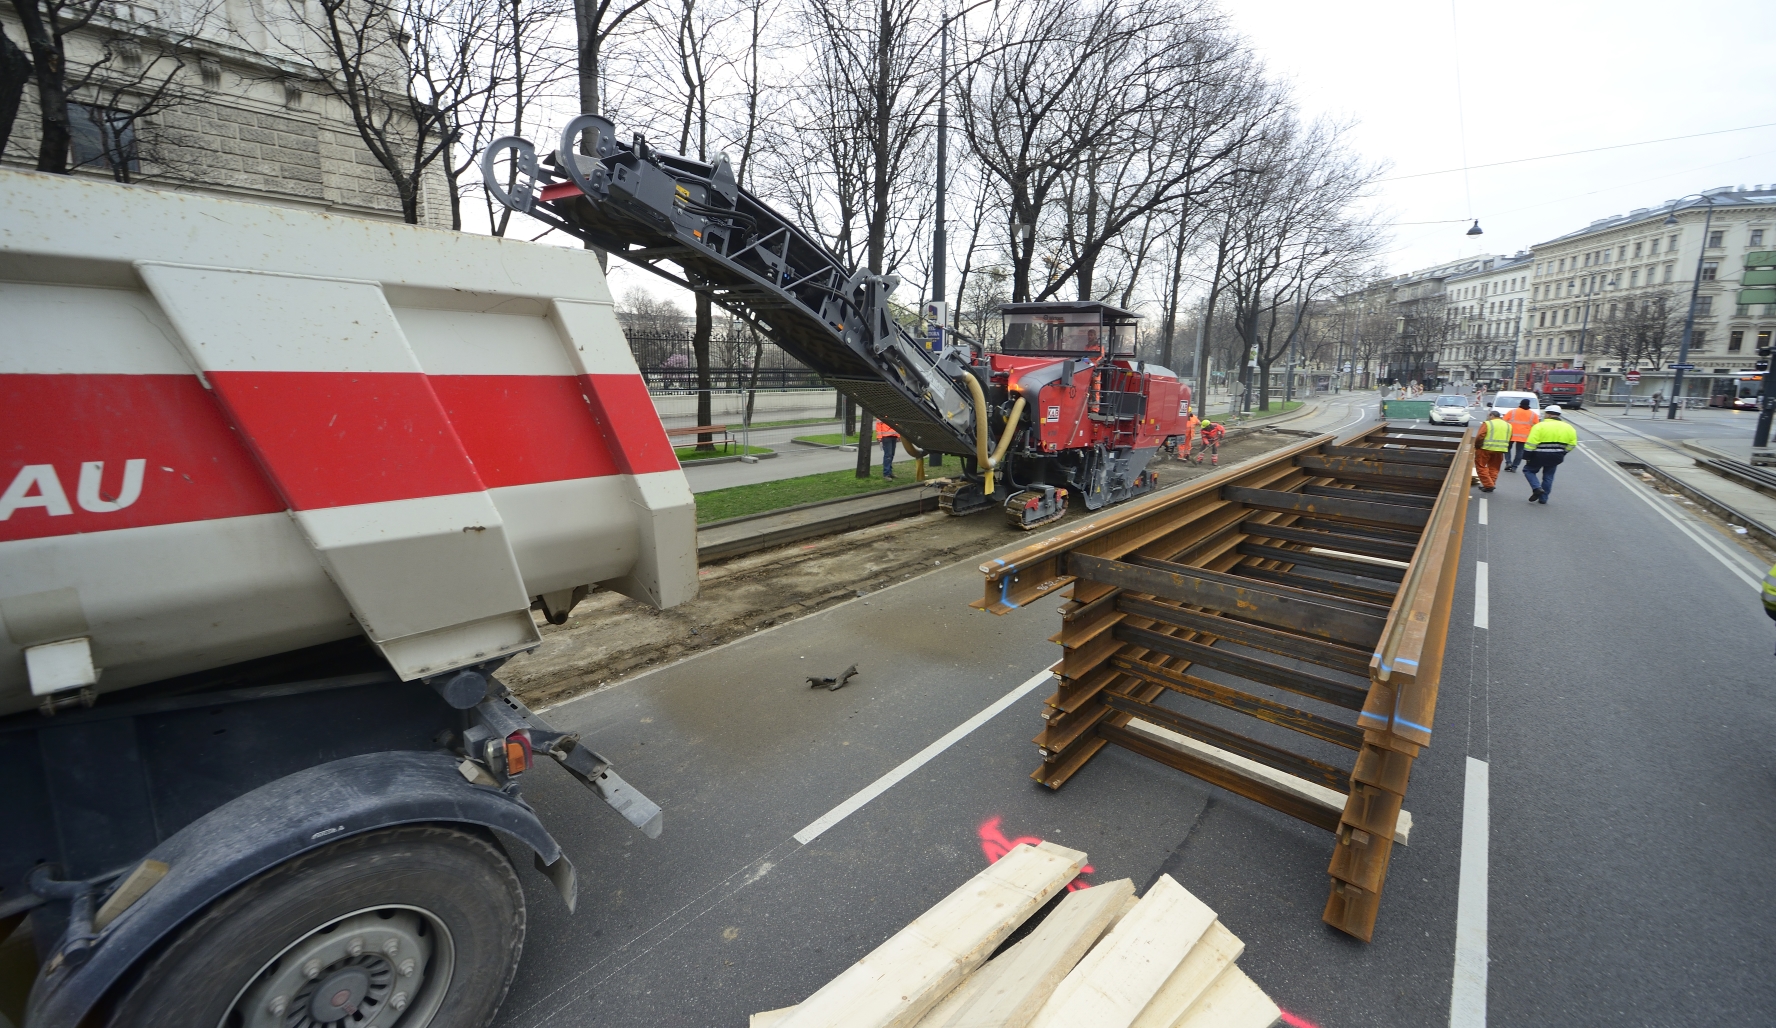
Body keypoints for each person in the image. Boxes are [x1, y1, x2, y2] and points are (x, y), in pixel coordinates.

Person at [1522, 404, 1577, 504]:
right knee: (1548, 476)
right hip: (1556, 455)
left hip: (1539, 455)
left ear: (1548, 415)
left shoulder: (1539, 426)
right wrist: (1564, 452)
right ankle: (1543, 498)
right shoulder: (1568, 427)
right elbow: (1572, 444)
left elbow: (1531, 443)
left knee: (1528, 470)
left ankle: (1537, 488)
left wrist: (1527, 456)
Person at [1473, 408, 1510, 492]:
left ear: (1492, 415)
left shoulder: (1488, 423)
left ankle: (1488, 485)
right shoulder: (1508, 425)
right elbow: (1509, 438)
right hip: (1500, 450)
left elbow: (1480, 435)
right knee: (1494, 467)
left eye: (1489, 416)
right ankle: (1491, 483)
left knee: (1481, 466)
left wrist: (1477, 446)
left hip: (1486, 448)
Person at [1502, 398, 1539, 472]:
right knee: (1520, 451)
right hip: (1524, 436)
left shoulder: (1512, 412)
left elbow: (1504, 422)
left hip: (1510, 434)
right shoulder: (1533, 414)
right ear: (1528, 405)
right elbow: (1536, 426)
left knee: (1507, 449)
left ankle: (1508, 462)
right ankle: (1514, 467)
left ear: (1520, 404)